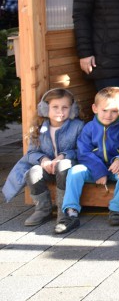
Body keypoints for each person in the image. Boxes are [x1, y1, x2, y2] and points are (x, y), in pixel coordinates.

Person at [2, 89, 83, 226]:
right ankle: (43, 209)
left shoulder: (78, 126)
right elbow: (31, 153)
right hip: (47, 167)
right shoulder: (39, 128)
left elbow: (80, 150)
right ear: (45, 109)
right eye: (55, 107)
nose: (60, 111)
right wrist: (43, 160)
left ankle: (63, 209)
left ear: (72, 109)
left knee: (63, 165)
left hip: (67, 168)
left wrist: (64, 156)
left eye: (65, 107)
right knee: (33, 172)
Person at [55, 87, 119, 234]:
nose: (108, 115)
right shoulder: (89, 128)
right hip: (94, 170)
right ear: (95, 108)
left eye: (114, 111)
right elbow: (83, 152)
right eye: (105, 110)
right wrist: (98, 171)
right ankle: (71, 211)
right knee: (75, 170)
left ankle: (116, 208)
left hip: (116, 169)